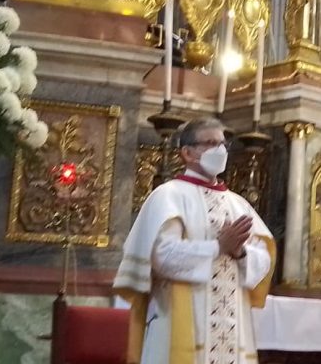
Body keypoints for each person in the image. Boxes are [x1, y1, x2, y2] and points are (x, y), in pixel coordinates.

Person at [114, 118, 275, 364]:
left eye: (223, 144)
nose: (220, 150)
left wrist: (241, 253)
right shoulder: (168, 196)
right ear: (187, 153)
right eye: (210, 143)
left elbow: (262, 261)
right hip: (179, 324)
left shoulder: (238, 204)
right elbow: (161, 257)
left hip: (232, 330)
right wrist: (218, 247)